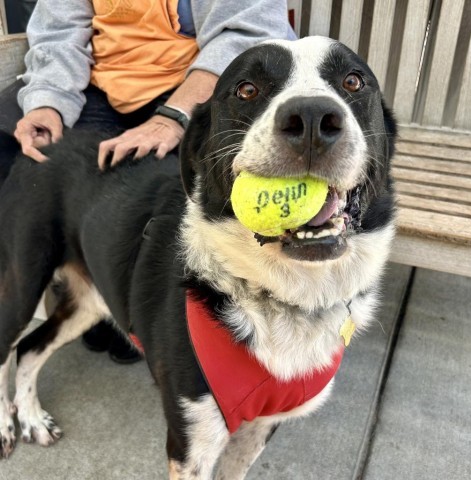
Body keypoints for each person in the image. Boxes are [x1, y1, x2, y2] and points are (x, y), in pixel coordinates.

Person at [0, 0, 296, 362]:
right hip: (106, 81)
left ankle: (152, 313)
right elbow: (59, 30)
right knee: (21, 151)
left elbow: (246, 33)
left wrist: (172, 118)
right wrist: (48, 102)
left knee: (164, 189)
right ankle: (65, 291)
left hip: (201, 84)